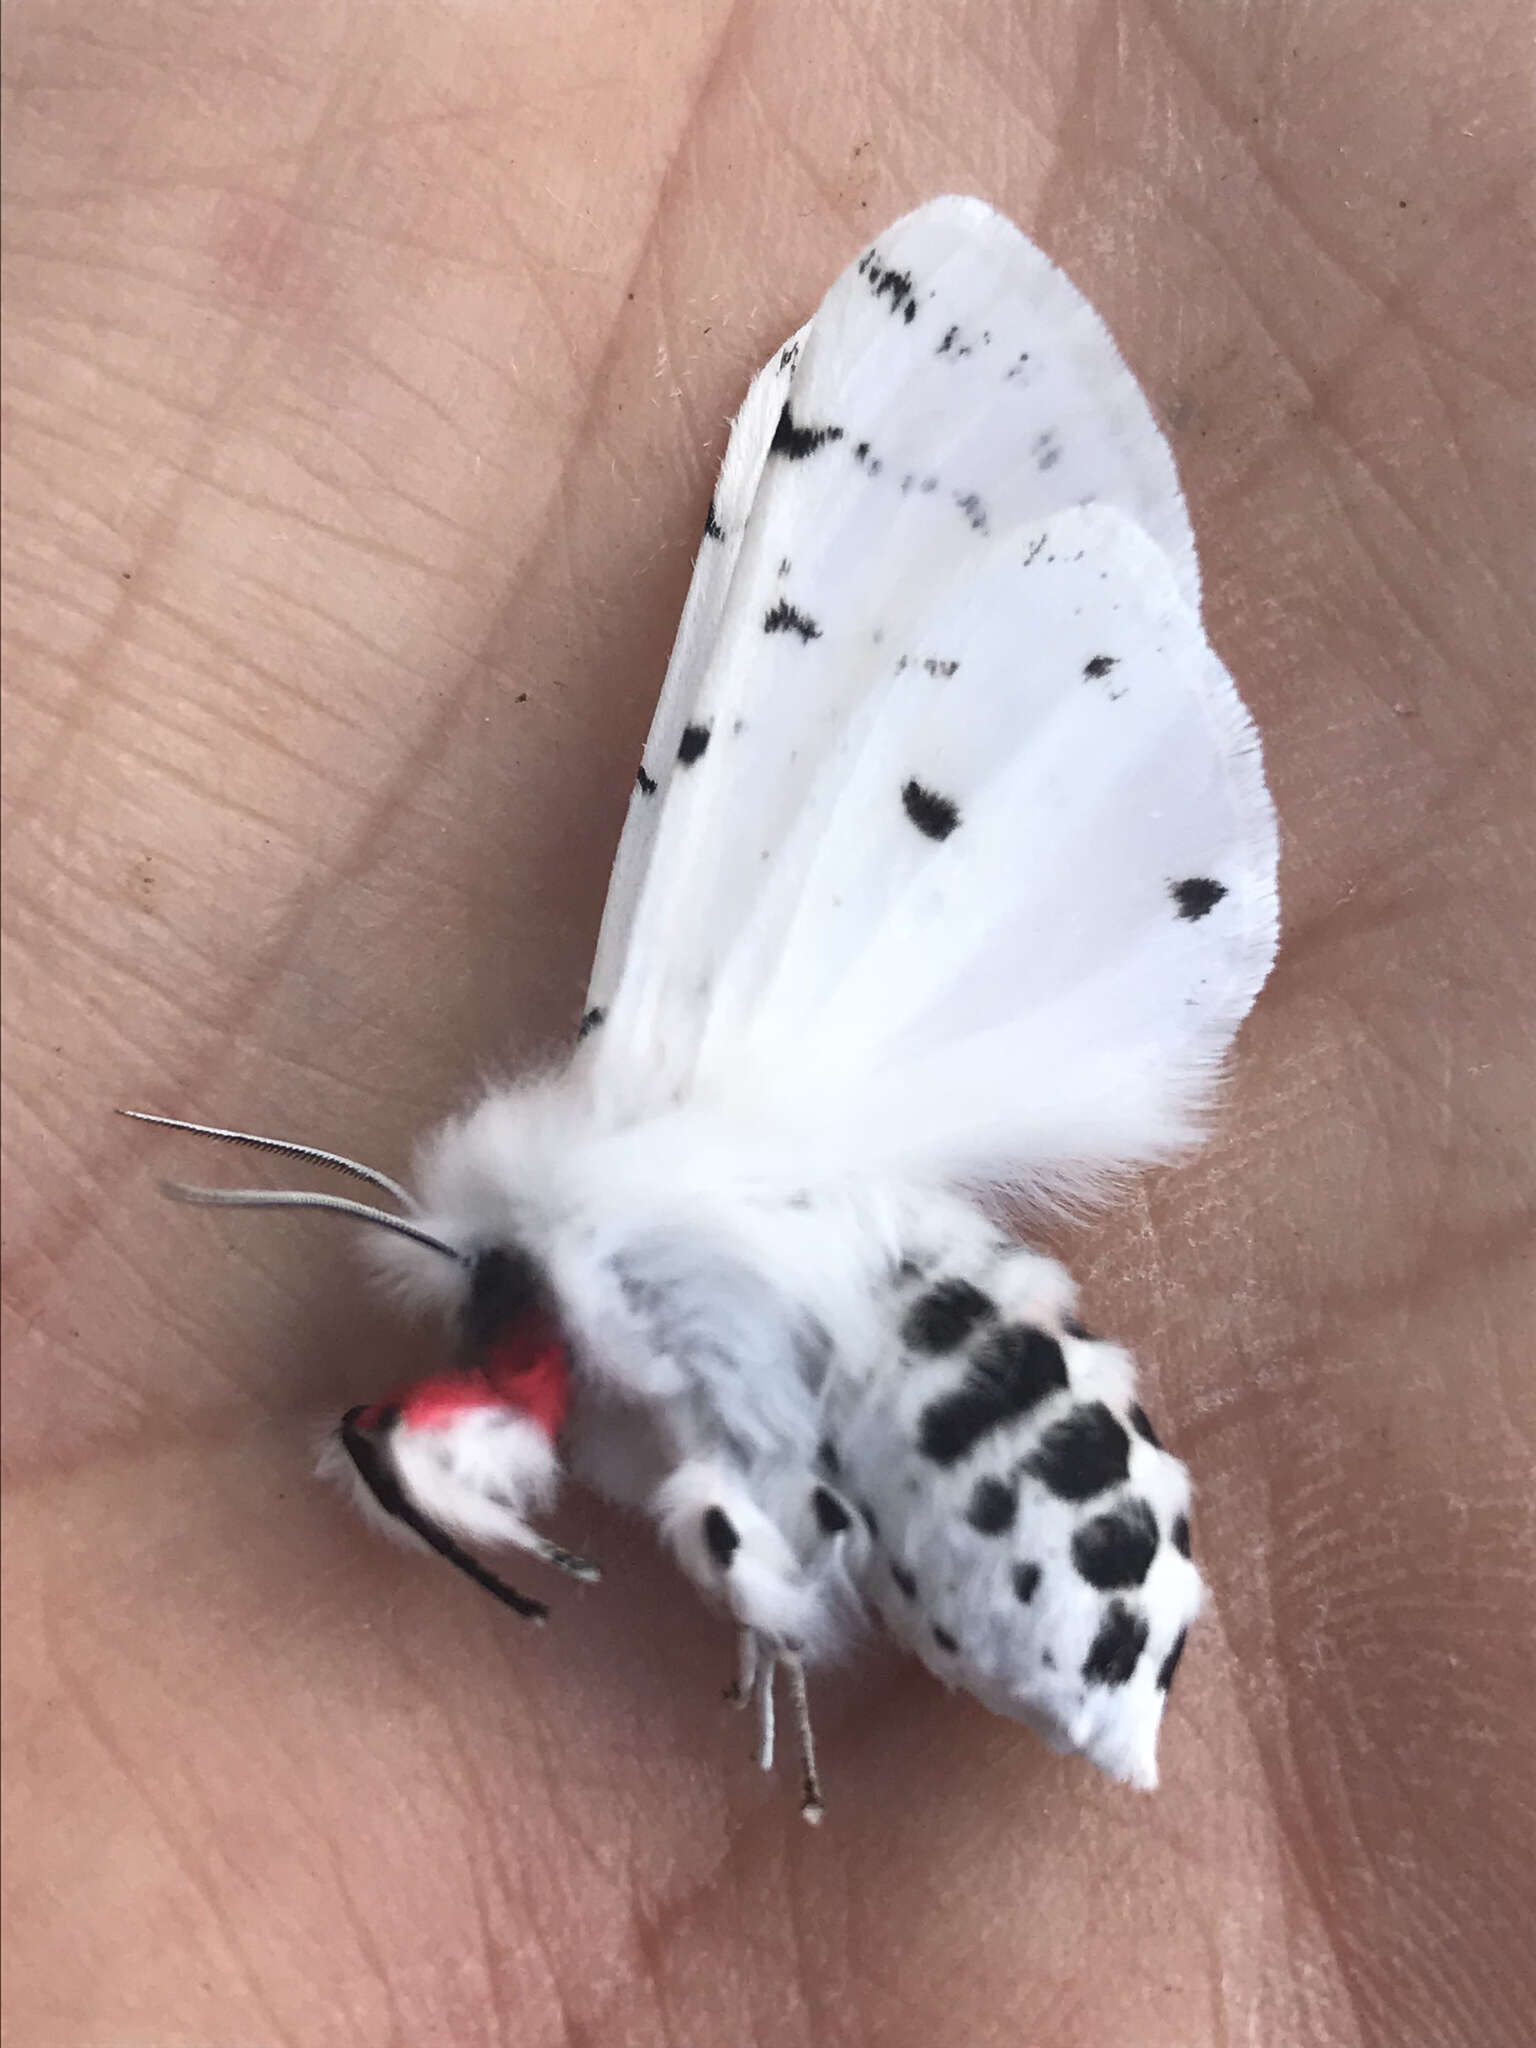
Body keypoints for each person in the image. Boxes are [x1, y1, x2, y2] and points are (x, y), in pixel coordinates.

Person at [4, 3, 1531, 2041]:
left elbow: (685, 1477)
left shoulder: (630, 1225)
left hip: (979, 1454)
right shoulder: (649, 1185)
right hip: (933, 1423)